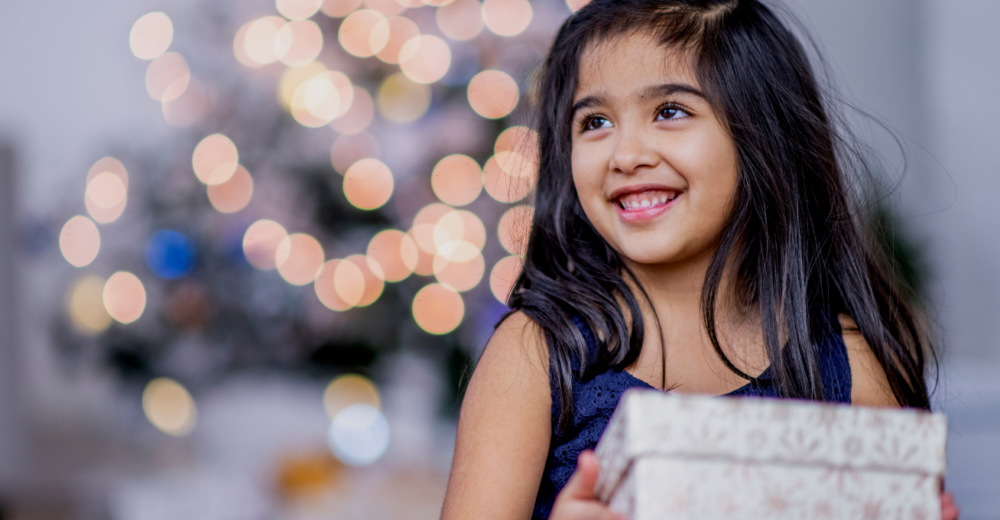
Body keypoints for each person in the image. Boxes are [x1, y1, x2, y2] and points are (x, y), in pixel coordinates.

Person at [441, 0, 959, 519]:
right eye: (595, 121)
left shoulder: (849, 364)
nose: (625, 155)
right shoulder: (536, 356)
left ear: (762, 133)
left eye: (669, 112)